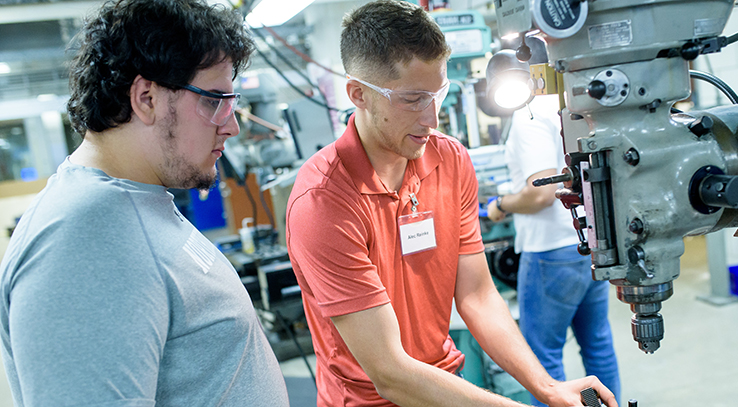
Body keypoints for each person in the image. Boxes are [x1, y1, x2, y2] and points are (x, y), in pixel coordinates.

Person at [285, 1, 617, 406]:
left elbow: (477, 295)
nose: (432, 118)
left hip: (446, 383)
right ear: (359, 94)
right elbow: (390, 373)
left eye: (437, 94)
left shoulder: (449, 159)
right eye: (413, 99)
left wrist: (546, 387)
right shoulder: (323, 202)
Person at [0, 1, 290, 405]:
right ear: (147, 98)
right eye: (214, 100)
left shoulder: (137, 200)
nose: (232, 125)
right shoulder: (83, 239)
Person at [487, 94, 621, 406]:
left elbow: (541, 194)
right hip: (591, 242)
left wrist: (500, 204)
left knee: (542, 359)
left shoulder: (529, 114)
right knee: (597, 345)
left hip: (550, 252)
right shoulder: (574, 101)